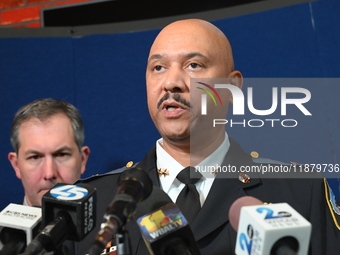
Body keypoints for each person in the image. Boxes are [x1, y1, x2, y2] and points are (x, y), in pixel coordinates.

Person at [75, 19, 339, 254]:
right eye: (158, 67)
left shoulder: (301, 192)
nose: (171, 82)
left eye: (193, 65)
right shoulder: (92, 203)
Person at [7, 98, 90, 207]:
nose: (49, 174)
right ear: (16, 165)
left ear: (82, 160)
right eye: (35, 157)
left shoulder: (110, 223)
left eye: (61, 155)